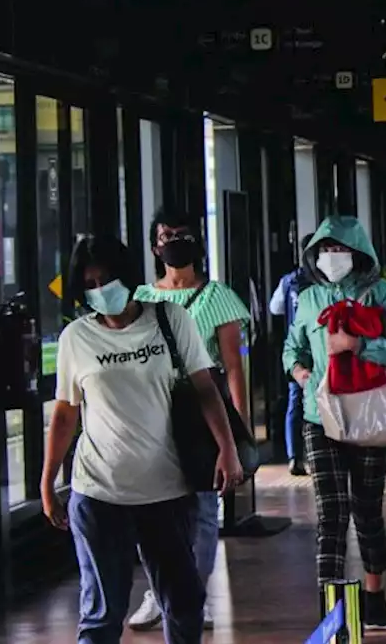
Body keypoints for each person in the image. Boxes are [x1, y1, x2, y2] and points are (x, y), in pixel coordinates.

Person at [42, 234, 243, 644]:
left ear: (128, 276)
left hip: (166, 491)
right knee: (101, 614)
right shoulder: (76, 339)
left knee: (183, 604)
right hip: (99, 493)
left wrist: (228, 448)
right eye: (90, 282)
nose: (100, 289)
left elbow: (205, 388)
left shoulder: (169, 320)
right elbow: (65, 413)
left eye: (107, 278)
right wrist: (47, 482)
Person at [124, 210, 254, 631]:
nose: (174, 242)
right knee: (155, 509)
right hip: (152, 411)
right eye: (166, 235)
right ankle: (161, 592)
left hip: (202, 411)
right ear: (154, 246)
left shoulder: (218, 297)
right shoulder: (141, 296)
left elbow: (232, 365)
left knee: (200, 508)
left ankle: (192, 594)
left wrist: (236, 429)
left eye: (183, 235)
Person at [283, 215, 386, 631]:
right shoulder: (307, 299)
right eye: (324, 249)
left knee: (367, 510)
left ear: (357, 253)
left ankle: (374, 596)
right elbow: (292, 347)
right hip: (319, 416)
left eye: (339, 249)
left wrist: (358, 345)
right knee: (332, 512)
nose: (330, 257)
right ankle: (332, 608)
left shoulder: (381, 293)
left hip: (372, 414)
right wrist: (300, 373)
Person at [268, 233, 314, 476]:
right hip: (319, 352)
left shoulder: (288, 282)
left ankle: (294, 456)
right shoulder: (324, 284)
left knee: (294, 404)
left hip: (295, 353)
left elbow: (275, 309)